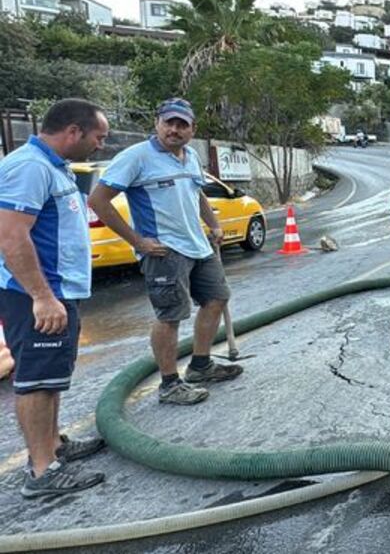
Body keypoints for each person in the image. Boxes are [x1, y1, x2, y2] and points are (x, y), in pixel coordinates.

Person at [88, 98, 243, 406]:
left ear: (191, 129)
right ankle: (170, 384)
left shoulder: (191, 157)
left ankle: (201, 366)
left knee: (216, 300)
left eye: (182, 124)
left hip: (199, 244)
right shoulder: (136, 157)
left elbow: (196, 192)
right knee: (170, 316)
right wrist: (137, 241)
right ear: (157, 123)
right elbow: (99, 200)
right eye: (169, 122)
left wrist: (213, 223)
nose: (174, 129)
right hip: (164, 251)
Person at [0, 99, 109, 497]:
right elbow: (11, 234)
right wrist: (41, 297)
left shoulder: (52, 167)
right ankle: (42, 472)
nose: (100, 145)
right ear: (74, 132)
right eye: (99, 136)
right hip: (35, 296)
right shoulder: (28, 167)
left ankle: (54, 447)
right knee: (34, 381)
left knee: (51, 377)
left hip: (58, 292)